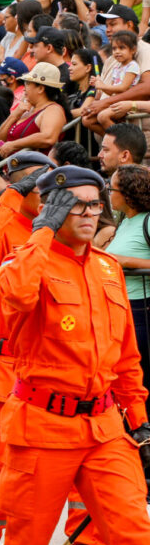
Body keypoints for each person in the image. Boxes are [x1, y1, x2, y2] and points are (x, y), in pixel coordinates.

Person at [0, 166, 150, 545]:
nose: (88, 213)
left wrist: (139, 418)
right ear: (51, 209)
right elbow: (15, 296)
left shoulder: (107, 268)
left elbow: (125, 356)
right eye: (74, 205)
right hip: (42, 426)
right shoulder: (26, 261)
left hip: (104, 428)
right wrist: (40, 230)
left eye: (94, 204)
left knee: (137, 541)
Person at [0, 152, 118, 545]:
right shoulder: (3, 223)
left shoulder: (71, 239)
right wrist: (16, 192)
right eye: (44, 185)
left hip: (65, 374)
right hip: (7, 369)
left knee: (86, 486)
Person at [107, 164, 150, 394]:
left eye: (111, 188)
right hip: (122, 308)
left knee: (142, 377)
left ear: (128, 194)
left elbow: (122, 259)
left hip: (143, 311)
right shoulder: (125, 221)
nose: (108, 193)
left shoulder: (147, 220)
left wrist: (125, 261)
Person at [0, 63, 68, 157]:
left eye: (28, 83)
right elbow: (1, 139)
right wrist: (14, 115)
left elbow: (48, 138)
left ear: (40, 89)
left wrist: (14, 145)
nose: (24, 89)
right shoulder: (27, 109)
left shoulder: (53, 110)